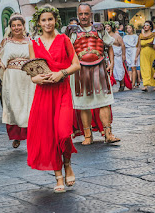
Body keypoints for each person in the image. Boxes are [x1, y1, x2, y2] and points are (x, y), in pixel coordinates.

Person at [27, 5, 80, 193]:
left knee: (63, 132)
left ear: (55, 20)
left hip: (62, 90)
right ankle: (58, 177)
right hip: (43, 94)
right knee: (49, 135)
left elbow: (76, 64)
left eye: (50, 19)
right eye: (44, 20)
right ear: (38, 23)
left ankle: (67, 164)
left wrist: (62, 73)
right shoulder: (34, 44)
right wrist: (36, 79)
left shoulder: (64, 39)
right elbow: (32, 73)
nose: (47, 23)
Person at [65, 3, 120, 144]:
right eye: (81, 14)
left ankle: (108, 134)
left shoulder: (100, 29)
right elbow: (68, 51)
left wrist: (112, 62)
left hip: (100, 68)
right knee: (84, 104)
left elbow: (109, 45)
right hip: (80, 71)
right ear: (78, 15)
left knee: (104, 102)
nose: (83, 17)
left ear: (91, 14)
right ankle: (88, 135)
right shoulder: (71, 31)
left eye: (86, 13)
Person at [0, 13, 36, 148]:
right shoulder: (6, 42)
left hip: (27, 78)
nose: (16, 28)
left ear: (23, 26)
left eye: (19, 25)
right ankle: (17, 136)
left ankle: (30, 135)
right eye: (13, 26)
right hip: (11, 78)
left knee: (28, 106)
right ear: (10, 27)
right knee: (13, 107)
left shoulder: (30, 41)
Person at [105, 21, 126, 91]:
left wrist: (123, 55)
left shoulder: (117, 36)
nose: (107, 28)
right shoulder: (104, 36)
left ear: (112, 27)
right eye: (106, 26)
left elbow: (122, 45)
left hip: (117, 56)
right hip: (108, 57)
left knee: (119, 70)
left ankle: (122, 84)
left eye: (108, 26)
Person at [135, 20, 155, 92]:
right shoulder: (141, 36)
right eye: (144, 25)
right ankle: (145, 85)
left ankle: (154, 84)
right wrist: (136, 56)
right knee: (144, 68)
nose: (145, 26)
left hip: (152, 53)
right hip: (143, 53)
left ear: (150, 27)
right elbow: (139, 47)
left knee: (152, 68)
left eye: (147, 25)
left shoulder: (153, 35)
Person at [123, 24, 140, 88]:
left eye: (129, 28)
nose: (128, 29)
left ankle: (133, 83)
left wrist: (136, 56)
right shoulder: (125, 37)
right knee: (129, 67)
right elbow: (123, 46)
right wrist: (124, 54)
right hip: (128, 51)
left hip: (133, 50)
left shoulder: (136, 36)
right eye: (127, 28)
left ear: (132, 29)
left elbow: (138, 46)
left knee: (133, 67)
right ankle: (130, 81)